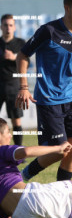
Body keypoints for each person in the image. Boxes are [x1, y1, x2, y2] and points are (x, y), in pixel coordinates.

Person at [15, 0, 72, 182]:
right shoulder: (48, 31)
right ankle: (21, 176)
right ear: (66, 8)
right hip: (49, 100)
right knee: (59, 150)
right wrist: (23, 87)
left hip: (70, 98)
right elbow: (22, 55)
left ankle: (63, 193)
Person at [0, 14, 26, 146]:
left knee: (16, 120)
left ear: (14, 27)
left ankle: (17, 153)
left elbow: (27, 62)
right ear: (1, 27)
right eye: (5, 25)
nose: (8, 28)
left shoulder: (20, 43)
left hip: (13, 86)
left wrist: (14, 57)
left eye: (10, 25)